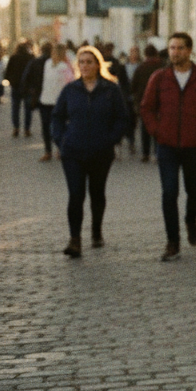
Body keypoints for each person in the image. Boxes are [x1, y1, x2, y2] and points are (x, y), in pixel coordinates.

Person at [140, 32, 196, 261]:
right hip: (167, 145)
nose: (175, 53)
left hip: (194, 145)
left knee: (194, 191)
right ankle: (172, 242)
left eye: (179, 48)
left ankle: (191, 219)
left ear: (189, 51)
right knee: (169, 192)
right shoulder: (159, 78)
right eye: (172, 48)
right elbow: (146, 108)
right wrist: (156, 131)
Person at [51, 45, 129, 257]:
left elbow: (122, 118)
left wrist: (111, 139)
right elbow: (57, 117)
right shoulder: (70, 90)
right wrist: (61, 140)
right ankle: (74, 239)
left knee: (97, 193)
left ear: (97, 64)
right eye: (81, 62)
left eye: (89, 62)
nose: (85, 66)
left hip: (101, 152)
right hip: (73, 152)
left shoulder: (110, 90)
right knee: (76, 195)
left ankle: (96, 231)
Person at [37, 44, 75, 162]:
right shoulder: (47, 63)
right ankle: (48, 151)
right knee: (45, 127)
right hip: (45, 100)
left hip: (58, 102)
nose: (54, 54)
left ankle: (60, 149)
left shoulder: (64, 67)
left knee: (58, 127)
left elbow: (70, 82)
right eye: (54, 52)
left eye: (57, 52)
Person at [130, 45, 161, 162]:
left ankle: (145, 153)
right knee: (159, 125)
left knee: (145, 127)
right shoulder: (162, 66)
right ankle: (158, 151)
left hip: (144, 102)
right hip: (160, 102)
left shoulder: (141, 68)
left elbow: (133, 85)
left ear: (145, 54)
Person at [21, 42, 52, 140]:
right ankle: (48, 132)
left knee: (28, 111)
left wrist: (27, 89)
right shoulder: (53, 63)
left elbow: (25, 77)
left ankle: (27, 129)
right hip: (47, 91)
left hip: (34, 91)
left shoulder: (34, 61)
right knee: (46, 115)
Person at [4, 40, 34, 137]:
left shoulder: (13, 57)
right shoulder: (30, 58)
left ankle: (16, 128)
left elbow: (7, 72)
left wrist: (11, 81)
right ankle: (27, 129)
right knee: (28, 109)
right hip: (28, 87)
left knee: (15, 108)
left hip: (15, 86)